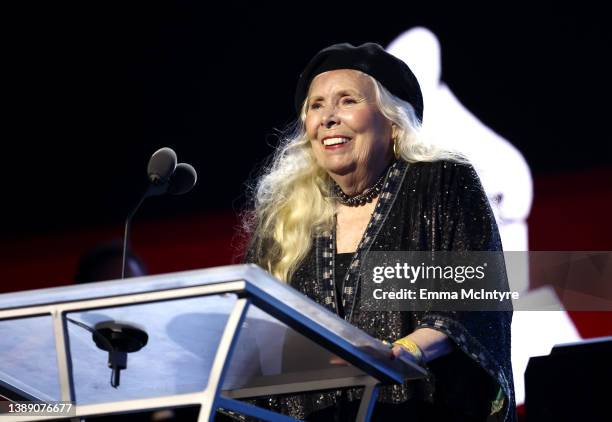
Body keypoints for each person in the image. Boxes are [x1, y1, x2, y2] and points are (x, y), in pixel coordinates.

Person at [242, 43, 515, 422]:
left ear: (392, 118)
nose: (328, 118)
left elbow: (473, 301)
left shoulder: (442, 181)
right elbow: (252, 333)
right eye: (316, 105)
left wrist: (403, 352)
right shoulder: (284, 215)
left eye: (347, 101)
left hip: (419, 410)